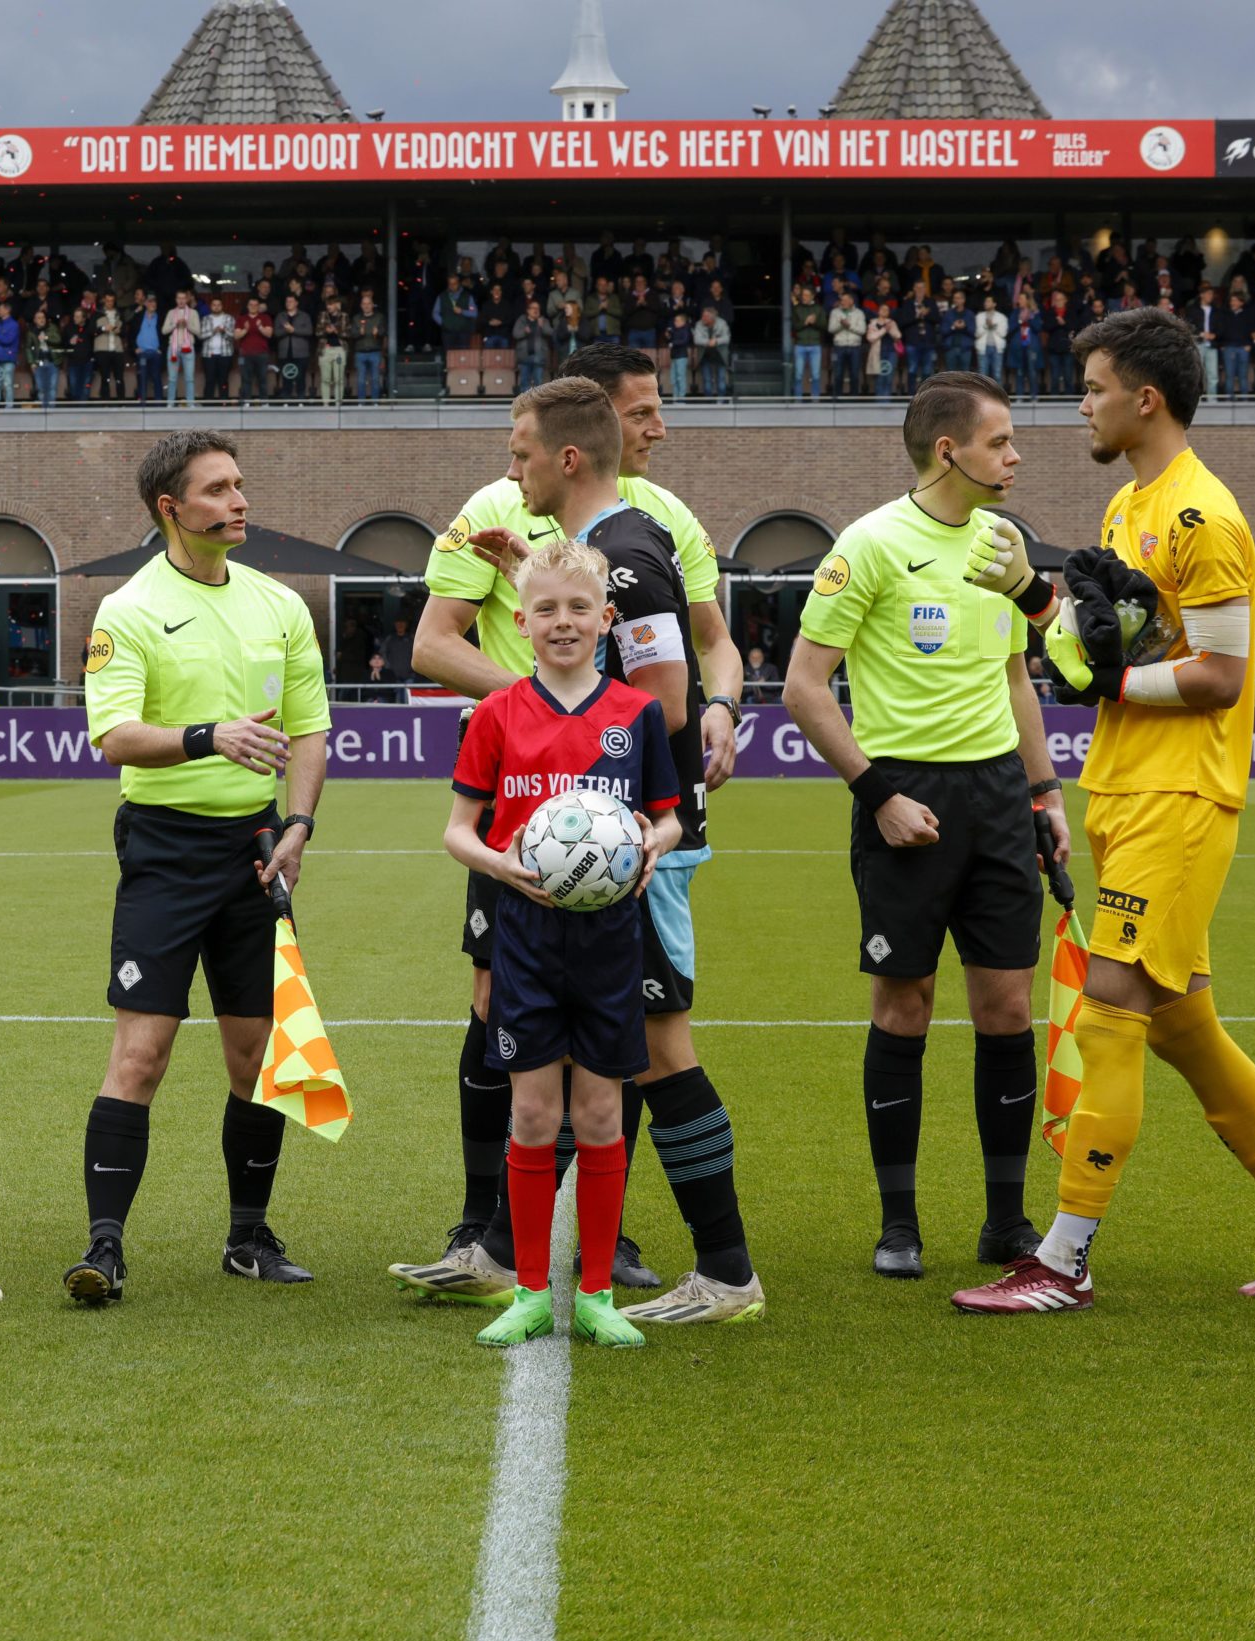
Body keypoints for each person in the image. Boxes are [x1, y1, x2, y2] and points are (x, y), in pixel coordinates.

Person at [954, 309, 1255, 1310]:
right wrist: (1034, 599)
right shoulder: (1123, 508)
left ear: (1144, 398)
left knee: (1109, 1008)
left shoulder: (1204, 517)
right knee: (1181, 1024)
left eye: (1094, 386)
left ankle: (1060, 1259)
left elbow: (1223, 677)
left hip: (1180, 794)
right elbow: (1110, 654)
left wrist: (1106, 679)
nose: (1082, 403)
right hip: (1124, 784)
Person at [400, 346, 754, 1318]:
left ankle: (725, 1271)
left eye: (519, 455)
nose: (509, 473)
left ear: (562, 458)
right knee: (636, 1043)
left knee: (658, 1047)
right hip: (615, 842)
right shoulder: (609, 548)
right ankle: (528, 1243)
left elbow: (665, 702)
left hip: (638, 846)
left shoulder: (632, 559)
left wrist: (551, 722)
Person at [783, 371, 1067, 1279]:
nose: (1016, 456)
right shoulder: (867, 545)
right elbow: (802, 687)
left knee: (1009, 1005)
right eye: (1001, 442)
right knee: (904, 1004)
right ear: (950, 450)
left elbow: (1018, 677)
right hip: (904, 792)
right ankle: (899, 1223)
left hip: (997, 799)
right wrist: (878, 794)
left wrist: (1045, 792)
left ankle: (1006, 1223)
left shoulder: (1004, 543)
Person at [65, 429, 330, 1306]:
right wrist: (209, 736)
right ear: (170, 509)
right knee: (141, 1054)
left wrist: (297, 823)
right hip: (165, 849)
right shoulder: (130, 608)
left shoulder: (280, 605)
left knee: (257, 1056)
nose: (239, 501)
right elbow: (113, 737)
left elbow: (309, 729)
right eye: (217, 490)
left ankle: (248, 1236)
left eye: (240, 485)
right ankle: (104, 1249)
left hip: (257, 850)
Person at [444, 541, 683, 1350]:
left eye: (579, 609)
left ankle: (596, 1294)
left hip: (613, 937)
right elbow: (456, 833)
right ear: (520, 622)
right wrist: (502, 865)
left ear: (606, 621)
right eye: (546, 610)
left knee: (603, 1111)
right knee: (536, 1113)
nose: (563, 623)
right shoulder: (496, 714)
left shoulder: (635, 715)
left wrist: (654, 842)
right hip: (527, 934)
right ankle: (529, 1291)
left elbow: (668, 813)